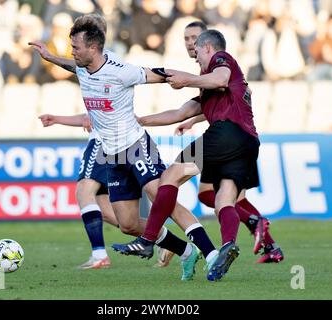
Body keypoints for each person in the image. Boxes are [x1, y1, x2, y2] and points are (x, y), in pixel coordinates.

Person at [29, 14, 226, 281]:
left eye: (76, 47)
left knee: (161, 199)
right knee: (128, 224)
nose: (72, 52)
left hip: (135, 146)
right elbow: (73, 67)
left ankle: (211, 253)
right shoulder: (82, 67)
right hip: (112, 155)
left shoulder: (121, 71)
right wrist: (50, 57)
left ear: (94, 48)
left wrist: (198, 80)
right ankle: (185, 251)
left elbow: (158, 74)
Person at [113, 29, 276, 281]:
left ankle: (147, 240)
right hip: (248, 142)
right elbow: (181, 113)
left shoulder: (223, 61)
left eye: (197, 51)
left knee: (170, 176)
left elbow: (219, 78)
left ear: (208, 48)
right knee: (223, 201)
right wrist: (141, 120)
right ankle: (227, 246)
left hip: (226, 132)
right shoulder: (211, 86)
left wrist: (187, 78)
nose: (195, 56)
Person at [157, 21, 284, 265]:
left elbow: (227, 89)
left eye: (194, 37)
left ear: (207, 44)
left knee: (228, 199)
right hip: (236, 137)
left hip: (230, 138)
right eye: (185, 38)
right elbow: (217, 102)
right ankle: (264, 245)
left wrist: (190, 97)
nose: (190, 43)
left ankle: (256, 228)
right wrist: (193, 120)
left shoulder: (220, 64)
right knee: (219, 198)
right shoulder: (208, 74)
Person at [38, 114, 118, 269]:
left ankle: (99, 256)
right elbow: (89, 114)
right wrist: (57, 119)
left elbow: (102, 105)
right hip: (114, 141)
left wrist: (95, 114)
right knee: (107, 213)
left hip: (103, 140)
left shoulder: (100, 91)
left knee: (84, 191)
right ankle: (161, 238)